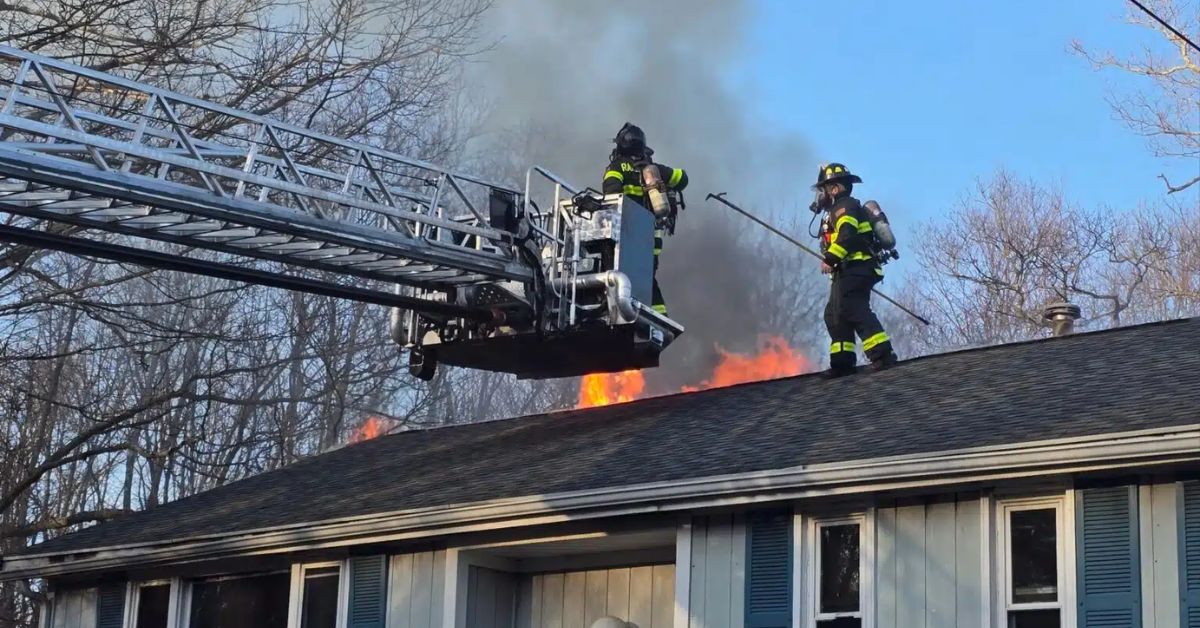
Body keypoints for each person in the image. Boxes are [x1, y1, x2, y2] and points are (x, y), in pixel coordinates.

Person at [812, 162, 898, 376]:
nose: (819, 196)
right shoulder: (835, 210)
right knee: (834, 314)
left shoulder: (845, 207)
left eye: (822, 190)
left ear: (834, 189)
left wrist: (831, 258)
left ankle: (882, 355)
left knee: (852, 307)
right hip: (845, 270)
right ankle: (842, 363)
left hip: (858, 266)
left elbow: (847, 234)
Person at [602, 122, 688, 316]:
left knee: (621, 278)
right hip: (651, 242)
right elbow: (682, 178)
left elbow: (610, 194)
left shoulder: (617, 167)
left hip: (626, 239)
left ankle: (621, 313)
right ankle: (659, 319)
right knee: (648, 280)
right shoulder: (654, 170)